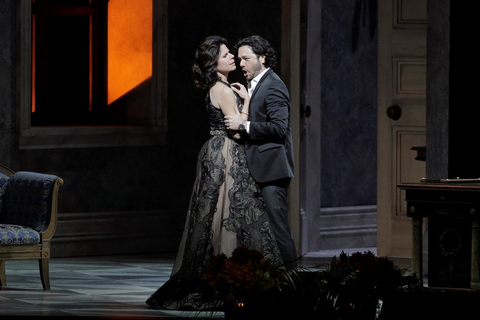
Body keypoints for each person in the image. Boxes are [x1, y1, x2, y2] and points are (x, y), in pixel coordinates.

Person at [145, 35, 282, 310]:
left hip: (218, 151)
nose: (232, 56)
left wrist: (243, 100)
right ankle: (227, 279)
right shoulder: (222, 89)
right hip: (228, 152)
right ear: (213, 63)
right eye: (225, 55)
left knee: (221, 215)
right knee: (228, 213)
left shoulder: (220, 86)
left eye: (231, 53)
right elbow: (236, 130)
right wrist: (248, 107)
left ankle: (227, 274)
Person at [224, 35, 297, 268]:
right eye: (239, 59)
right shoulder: (255, 85)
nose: (241, 64)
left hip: (272, 171)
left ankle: (293, 283)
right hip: (258, 169)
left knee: (278, 230)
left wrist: (243, 126)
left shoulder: (274, 85)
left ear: (263, 58)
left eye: (246, 58)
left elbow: (278, 128)